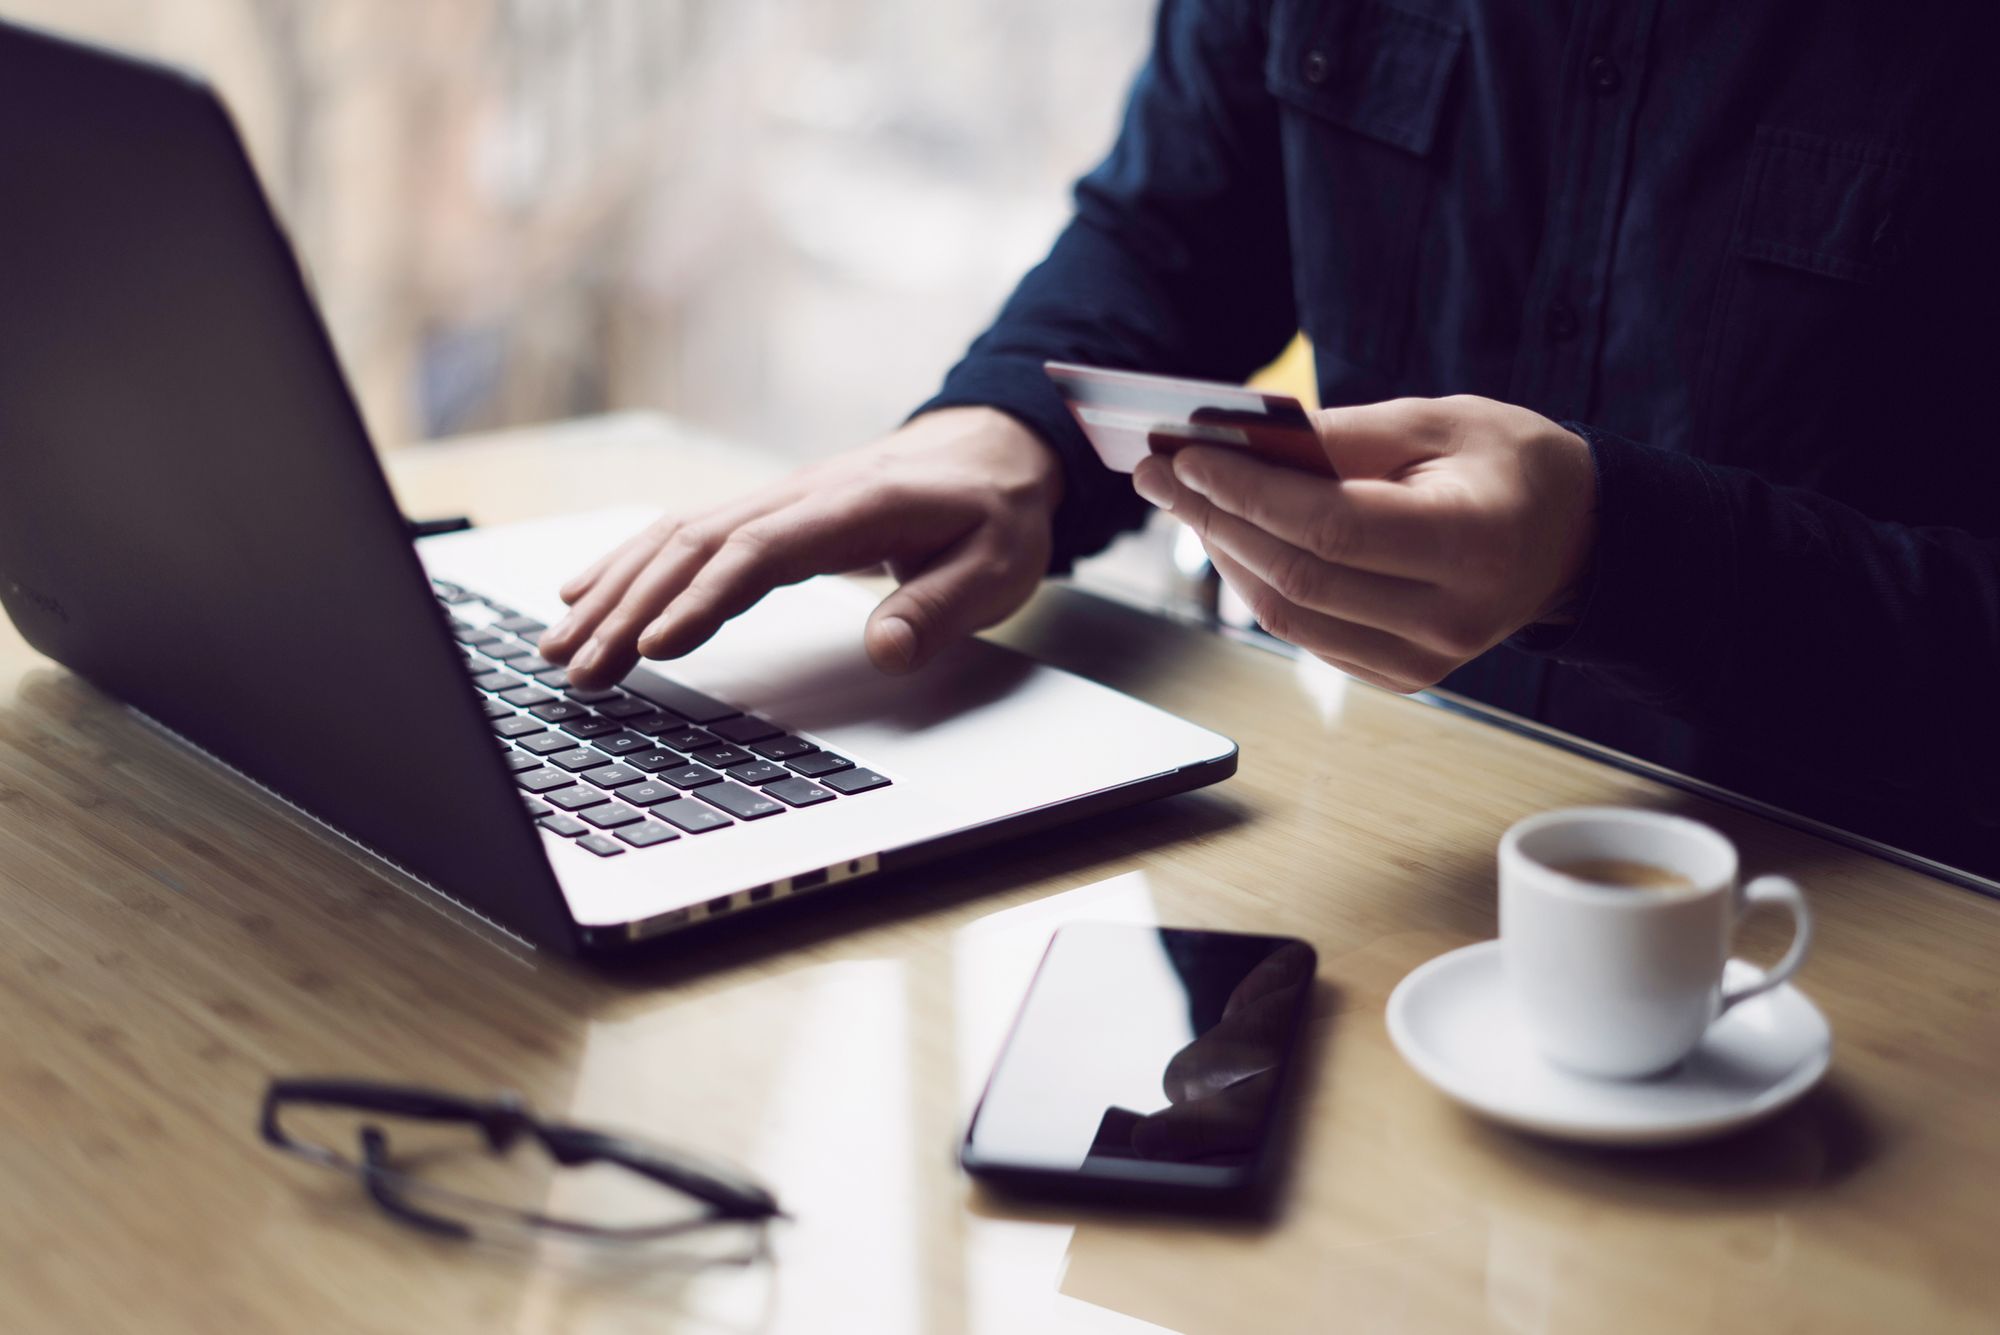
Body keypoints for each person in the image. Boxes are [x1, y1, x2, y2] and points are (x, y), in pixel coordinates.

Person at [541, 2, 2000, 877]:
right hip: (1387, 862)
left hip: (1884, 932)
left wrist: (1622, 556)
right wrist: (1011, 436)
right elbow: (1176, 229)